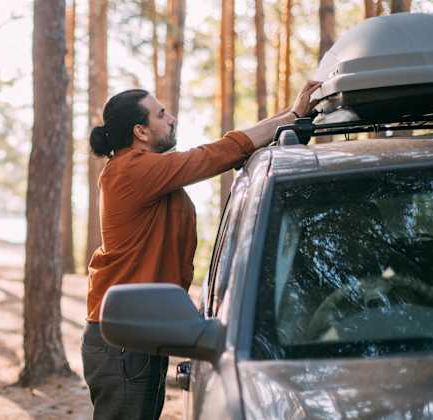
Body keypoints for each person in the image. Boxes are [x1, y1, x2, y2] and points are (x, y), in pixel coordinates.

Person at [81, 82, 321, 420]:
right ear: (140, 131)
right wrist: (292, 115)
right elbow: (212, 156)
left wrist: (290, 118)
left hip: (136, 330)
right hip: (121, 337)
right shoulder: (133, 171)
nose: (172, 118)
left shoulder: (143, 170)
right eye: (161, 114)